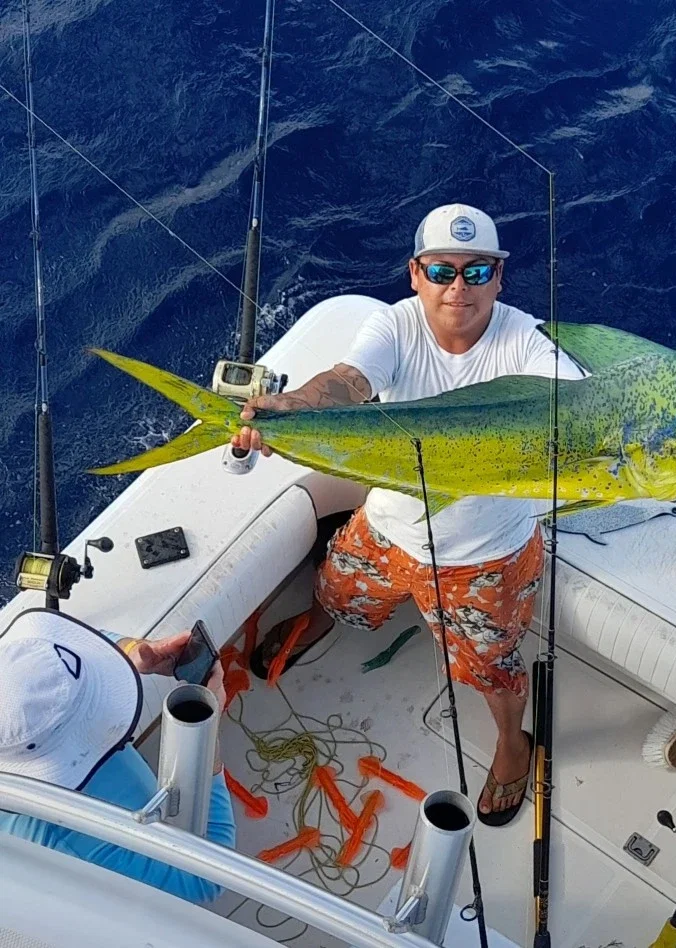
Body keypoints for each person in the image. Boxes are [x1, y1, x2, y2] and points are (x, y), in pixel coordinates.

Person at [235, 203, 587, 827]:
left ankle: (513, 742)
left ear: (499, 278)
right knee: (335, 589)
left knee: (492, 669)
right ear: (416, 275)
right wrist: (296, 405)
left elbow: (577, 401)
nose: (458, 288)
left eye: (477, 271)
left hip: (486, 557)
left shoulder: (529, 341)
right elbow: (349, 382)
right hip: (387, 530)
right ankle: (318, 621)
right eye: (442, 271)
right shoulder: (395, 326)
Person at [0, 608, 235, 903]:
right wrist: (205, 738)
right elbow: (202, 880)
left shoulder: (12, 675)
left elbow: (63, 656)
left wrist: (134, 652)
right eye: (87, 711)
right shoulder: (68, 837)